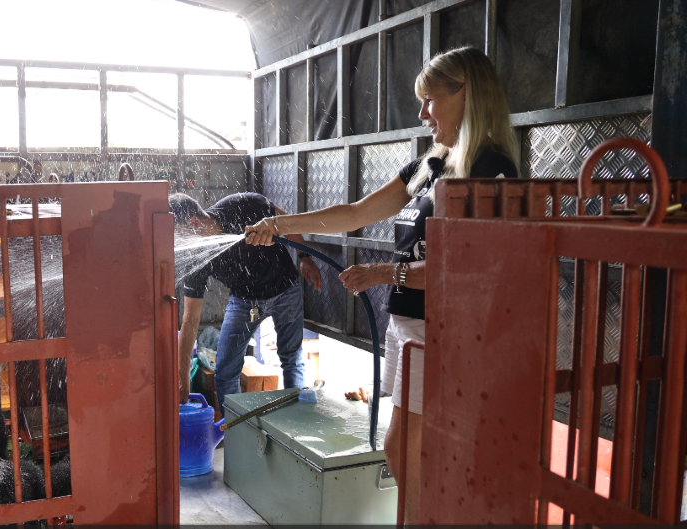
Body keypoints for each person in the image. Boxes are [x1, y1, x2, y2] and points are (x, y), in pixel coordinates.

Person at [243, 47, 517, 522]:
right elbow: (353, 214)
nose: (422, 112)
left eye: (431, 99)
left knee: (410, 448)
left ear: (466, 93)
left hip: (444, 331)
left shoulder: (489, 168)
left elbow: (471, 270)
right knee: (406, 447)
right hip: (406, 326)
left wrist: (385, 273)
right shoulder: (428, 167)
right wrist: (281, 225)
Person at [169, 192, 322, 408]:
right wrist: (182, 376)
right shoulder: (198, 260)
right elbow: (190, 319)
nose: (181, 246)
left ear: (195, 223)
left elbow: (284, 219)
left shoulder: (243, 205)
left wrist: (305, 257)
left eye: (181, 238)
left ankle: (294, 423)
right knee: (225, 371)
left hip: (284, 287)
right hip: (244, 301)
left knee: (291, 359)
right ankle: (237, 429)